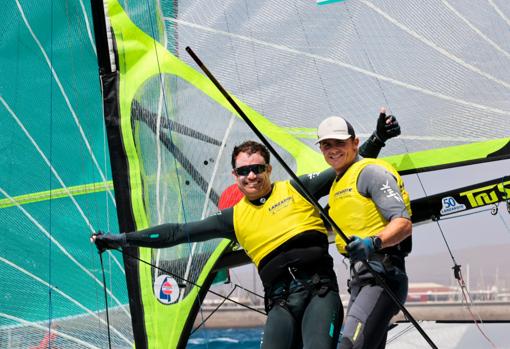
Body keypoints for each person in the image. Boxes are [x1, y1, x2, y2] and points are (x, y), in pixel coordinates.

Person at [91, 114, 399, 348]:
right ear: (234, 175)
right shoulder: (232, 218)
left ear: (268, 169)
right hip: (280, 305)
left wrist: (378, 138)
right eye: (243, 171)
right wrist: (122, 239)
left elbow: (345, 168)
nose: (251, 176)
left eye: (257, 168)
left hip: (320, 294)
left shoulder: (297, 188)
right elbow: (177, 232)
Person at [316, 109, 412, 349]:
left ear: (355, 143)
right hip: (361, 281)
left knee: (349, 346)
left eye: (339, 142)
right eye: (326, 144)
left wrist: (373, 243)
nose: (333, 149)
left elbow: (403, 223)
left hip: (382, 277)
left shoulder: (372, 172)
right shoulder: (339, 184)